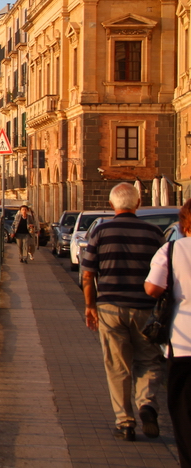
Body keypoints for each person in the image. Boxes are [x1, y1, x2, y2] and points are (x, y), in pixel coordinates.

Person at [81, 182, 165, 441]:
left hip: (110, 307)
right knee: (149, 360)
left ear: (111, 205)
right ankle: (147, 404)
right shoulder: (154, 234)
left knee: (117, 365)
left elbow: (87, 274)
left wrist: (90, 306)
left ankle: (125, 423)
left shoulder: (101, 232)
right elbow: (163, 274)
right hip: (145, 309)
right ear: (138, 204)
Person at [146, 199, 191, 467]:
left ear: (184, 222)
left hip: (183, 342)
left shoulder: (172, 250)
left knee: (184, 412)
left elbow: (152, 288)